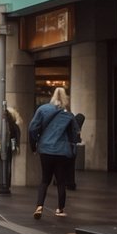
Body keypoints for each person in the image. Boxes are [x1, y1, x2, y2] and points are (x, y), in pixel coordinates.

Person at [27, 87, 81, 219]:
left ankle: (39, 206)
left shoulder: (43, 109)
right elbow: (75, 135)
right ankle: (60, 209)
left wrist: (33, 146)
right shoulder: (69, 115)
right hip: (62, 152)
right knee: (61, 181)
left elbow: (32, 128)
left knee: (45, 180)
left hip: (45, 149)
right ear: (66, 98)